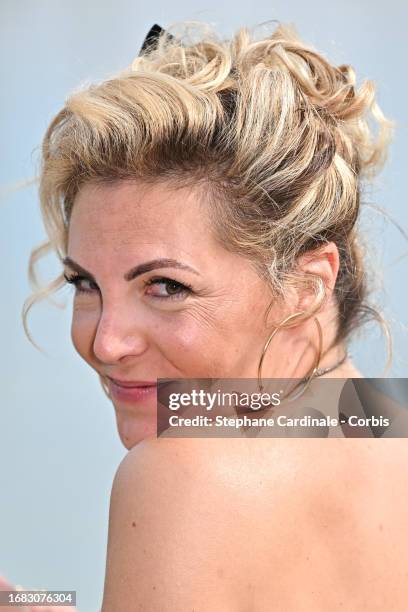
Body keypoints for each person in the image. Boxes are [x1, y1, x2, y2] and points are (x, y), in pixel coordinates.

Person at [11, 19, 408, 611]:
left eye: (165, 286)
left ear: (306, 282)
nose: (106, 342)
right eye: (84, 283)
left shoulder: (178, 475)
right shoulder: (388, 425)